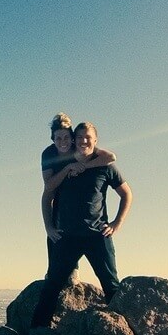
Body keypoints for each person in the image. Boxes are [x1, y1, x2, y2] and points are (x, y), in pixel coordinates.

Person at [31, 121, 132, 329]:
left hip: (98, 235)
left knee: (111, 285)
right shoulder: (61, 166)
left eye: (88, 137)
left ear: (95, 141)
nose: (84, 141)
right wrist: (49, 228)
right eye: (80, 137)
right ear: (74, 141)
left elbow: (126, 194)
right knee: (51, 287)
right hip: (65, 236)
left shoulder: (105, 166)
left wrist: (116, 223)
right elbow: (47, 195)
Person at [40, 113, 116, 277]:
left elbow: (111, 157)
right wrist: (68, 168)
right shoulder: (49, 154)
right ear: (52, 139)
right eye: (58, 138)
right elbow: (48, 188)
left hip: (88, 220)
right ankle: (53, 270)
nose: (63, 142)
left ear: (72, 138)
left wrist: (83, 166)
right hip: (57, 204)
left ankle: (73, 268)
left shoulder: (80, 148)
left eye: (66, 137)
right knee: (55, 232)